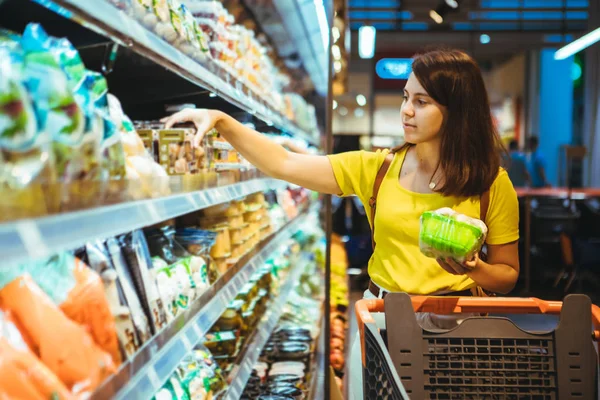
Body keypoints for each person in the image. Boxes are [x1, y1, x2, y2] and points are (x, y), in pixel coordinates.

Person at [161, 49, 520, 398]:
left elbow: (506, 275)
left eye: (422, 102)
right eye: (406, 97)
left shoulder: (490, 183)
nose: (406, 111)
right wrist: (223, 121)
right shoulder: (376, 169)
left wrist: (474, 268)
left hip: (457, 329)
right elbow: (284, 164)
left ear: (456, 111)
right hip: (383, 321)